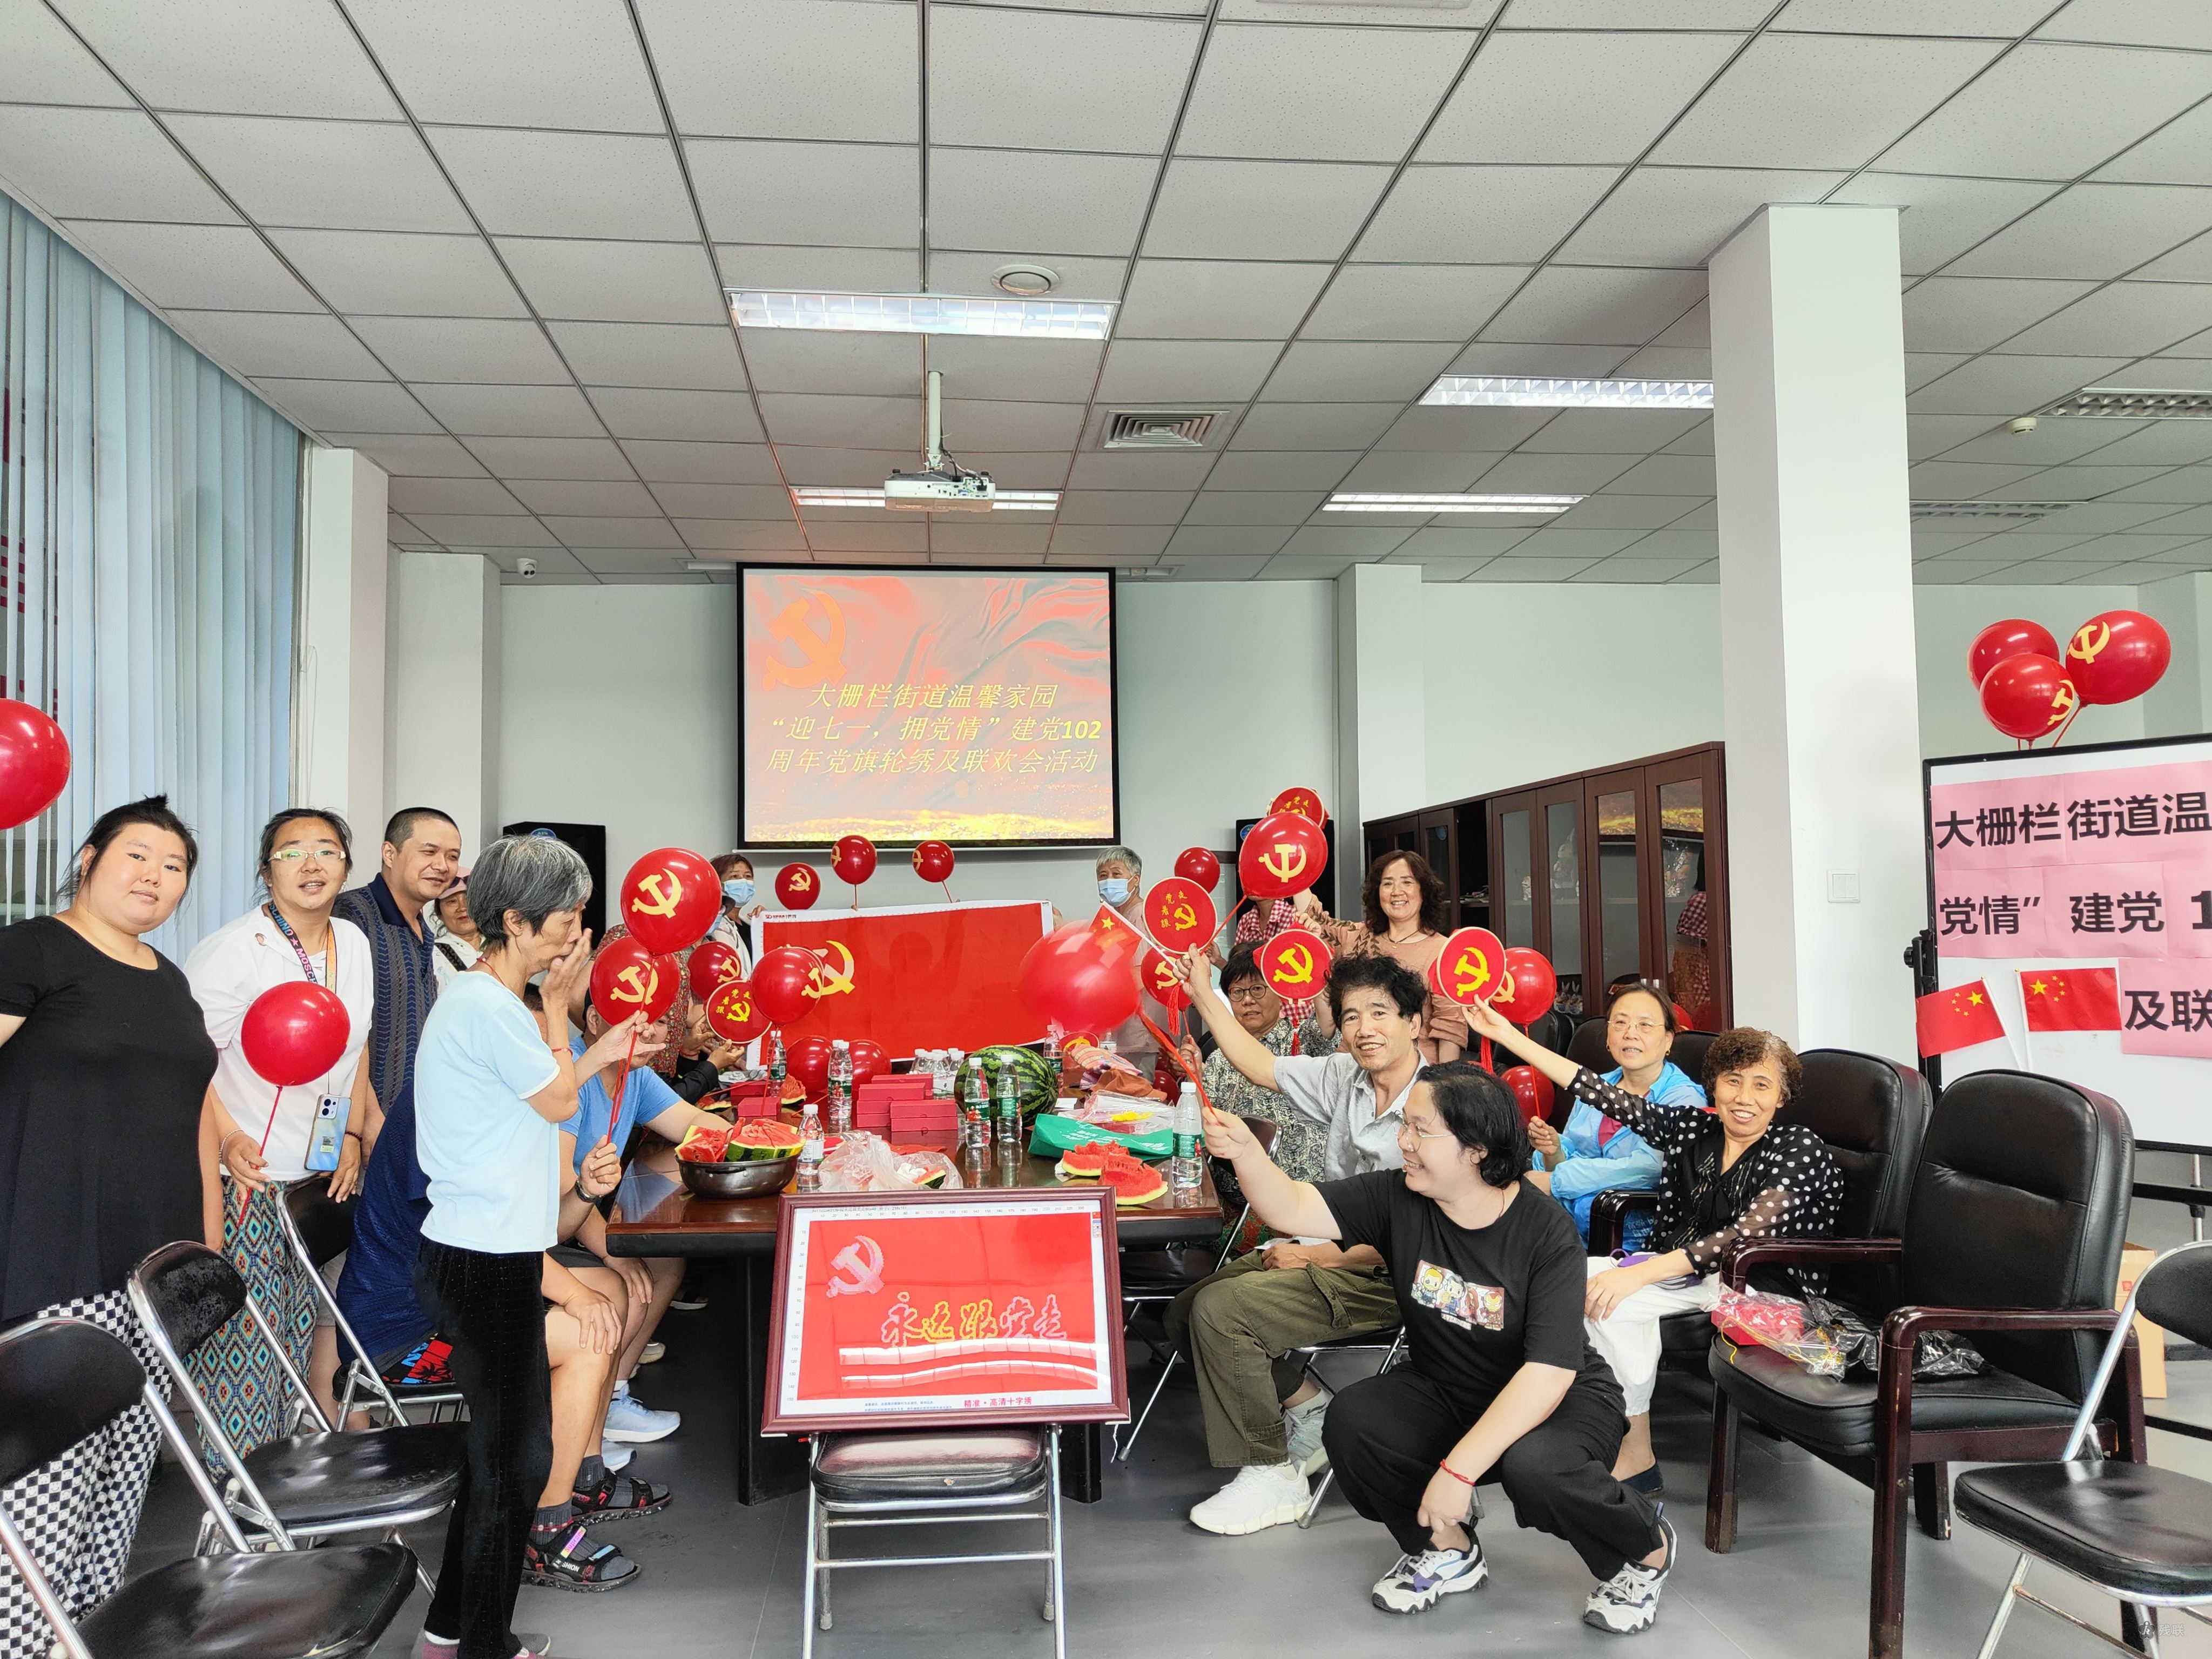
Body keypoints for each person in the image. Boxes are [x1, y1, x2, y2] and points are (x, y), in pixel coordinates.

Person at [1199, 1064, 1676, 1635]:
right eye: (1405, 1125)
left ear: (1476, 1149)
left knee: (1538, 1468)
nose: (1403, 1140)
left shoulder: (1545, 1233)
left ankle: (1645, 1549)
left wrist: (1457, 1471)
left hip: (1559, 1397)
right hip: (1445, 1386)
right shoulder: (1398, 1195)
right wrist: (1246, 1154)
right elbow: (1292, 1208)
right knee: (1355, 1421)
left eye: (1420, 1129)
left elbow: (1548, 1374)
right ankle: (1447, 1549)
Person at [411, 834, 662, 1654]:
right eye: (565, 918)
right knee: (509, 1465)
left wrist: (583, 1038)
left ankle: (450, 1634)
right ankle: (482, 1644)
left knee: (503, 1461)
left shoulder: (492, 1002)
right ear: (515, 921)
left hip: (494, 1254)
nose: (575, 935)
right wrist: (567, 1018)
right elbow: (559, 1101)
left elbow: (549, 1092)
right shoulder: (488, 1007)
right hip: (480, 1261)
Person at [0, 797, 220, 1657]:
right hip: (50, 1262)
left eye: (174, 867)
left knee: (119, 1485)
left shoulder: (168, 979)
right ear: (89, 858)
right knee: (43, 1497)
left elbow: (194, 1115)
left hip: (150, 1274)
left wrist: (204, 1253)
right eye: (138, 855)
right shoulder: (32, 950)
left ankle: (83, 1641)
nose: (155, 877)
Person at [1466, 1000, 1843, 1495]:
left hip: (1759, 1288)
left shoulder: (1798, 1148)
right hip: (1688, 1276)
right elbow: (1597, 1091)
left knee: (1614, 1303)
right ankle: (1584, 1419)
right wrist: (1509, 1037)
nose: (1744, 1097)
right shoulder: (1696, 1129)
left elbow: (1741, 1238)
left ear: (1782, 1096)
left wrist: (1639, 1274)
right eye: (1733, 1081)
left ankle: (1636, 1453)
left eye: (1761, 1085)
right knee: (1562, 1282)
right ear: (1714, 1087)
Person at [1161, 949, 1424, 1536]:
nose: (1363, 1028)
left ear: (1414, 1022)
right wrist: (1203, 990)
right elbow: (1259, 1062)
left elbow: (1423, 1233)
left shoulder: (1437, 1105)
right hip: (1325, 1245)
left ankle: (1270, 1473)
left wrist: (1311, 1254)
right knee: (1183, 1313)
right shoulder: (1345, 1076)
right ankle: (1309, 1407)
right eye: (1350, 1015)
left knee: (1221, 1312)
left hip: (1395, 1273)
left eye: (1379, 1013)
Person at [186, 809, 380, 1447]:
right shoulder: (234, 951)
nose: (311, 863)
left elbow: (353, 1048)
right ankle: (237, 1485)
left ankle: (281, 1471)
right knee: (246, 1343)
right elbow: (186, 1064)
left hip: (315, 1175)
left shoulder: (352, 942)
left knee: (296, 1335)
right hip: (247, 1177)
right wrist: (227, 1137)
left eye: (327, 849)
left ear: (346, 867)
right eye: (292, 851)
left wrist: (350, 1135)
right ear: (266, 871)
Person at [554, 993, 732, 1445]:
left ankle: (612, 1398)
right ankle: (584, 1428)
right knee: (626, 1282)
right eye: (635, 1019)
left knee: (665, 1261)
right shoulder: (571, 1076)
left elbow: (693, 1123)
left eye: (659, 1021)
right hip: (548, 1228)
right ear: (594, 1020)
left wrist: (776, 1141)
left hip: (586, 1212)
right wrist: (613, 1252)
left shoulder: (635, 1075)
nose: (649, 1031)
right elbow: (560, 1191)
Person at [332, 807, 462, 1382]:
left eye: (452, 856)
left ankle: (355, 1417)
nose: (443, 865)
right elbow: (345, 1033)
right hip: (368, 1137)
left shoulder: (424, 928)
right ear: (389, 853)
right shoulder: (354, 916)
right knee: (347, 1287)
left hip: (408, 1139)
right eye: (429, 851)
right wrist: (366, 1124)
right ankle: (343, 1418)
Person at [1523, 983, 1690, 1250]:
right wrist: (1554, 1152)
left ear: (1668, 1040)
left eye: (1645, 1025)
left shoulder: (1682, 1097)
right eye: (1621, 1023)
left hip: (1636, 1224)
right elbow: (1569, 1154)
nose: (1631, 1034)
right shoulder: (1597, 1087)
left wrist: (1557, 1182)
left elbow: (1650, 1168)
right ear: (1608, 1037)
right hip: (1575, 1213)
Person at [1298, 850, 1465, 1063]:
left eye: (1407, 882)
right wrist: (1292, 863)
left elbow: (1450, 1028)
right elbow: (1314, 919)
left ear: (1424, 891)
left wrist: (1443, 1079)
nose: (1396, 892)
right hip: (1352, 1065)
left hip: (1415, 1072)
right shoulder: (1357, 936)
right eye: (1387, 884)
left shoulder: (1444, 951)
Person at [1095, 846, 1177, 1078]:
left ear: (1135, 879)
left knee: (1136, 1093)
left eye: (1116, 874)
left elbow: (1140, 974)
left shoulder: (1140, 917)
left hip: (1139, 1029)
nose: (1109, 881)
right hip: (1123, 1031)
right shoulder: (1117, 919)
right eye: (1103, 875)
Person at [430, 868, 480, 989]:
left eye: (468, 899)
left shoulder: (501, 946)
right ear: (439, 913)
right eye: (452, 901)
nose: (462, 908)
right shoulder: (431, 956)